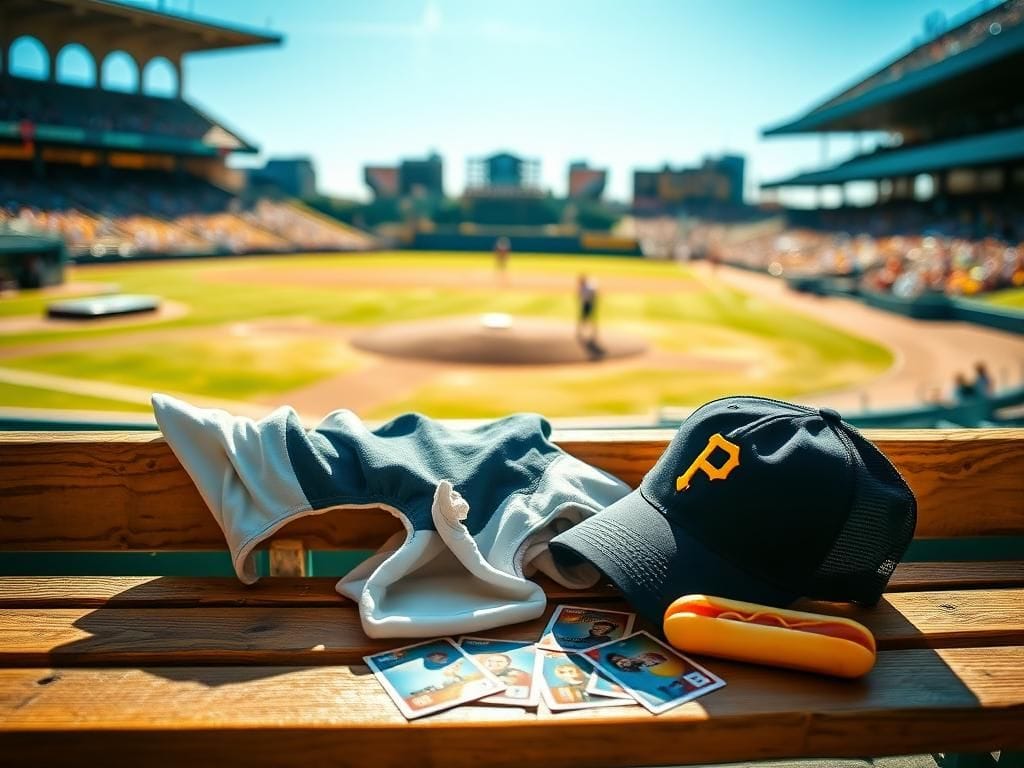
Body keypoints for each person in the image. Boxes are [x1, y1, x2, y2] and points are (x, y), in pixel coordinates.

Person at [577, 274, 598, 344]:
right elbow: (580, 296)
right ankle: (581, 331)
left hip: (589, 304)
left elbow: (593, 295)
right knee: (583, 318)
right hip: (585, 304)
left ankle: (593, 331)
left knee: (589, 318)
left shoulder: (588, 287)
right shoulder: (582, 287)